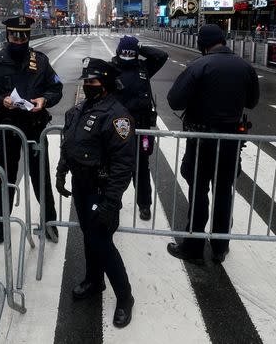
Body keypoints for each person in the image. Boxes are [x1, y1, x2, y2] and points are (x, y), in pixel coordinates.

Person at [165, 24, 259, 264]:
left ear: (202, 43)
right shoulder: (245, 66)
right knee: (224, 191)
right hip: (230, 142)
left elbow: (175, 101)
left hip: (202, 141)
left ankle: (193, 247)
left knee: (198, 191)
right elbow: (252, 101)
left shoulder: (198, 66)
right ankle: (220, 247)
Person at [56, 57, 135, 328]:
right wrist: (61, 171)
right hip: (81, 184)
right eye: (86, 81)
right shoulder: (80, 110)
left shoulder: (117, 116)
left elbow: (124, 166)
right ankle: (94, 279)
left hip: (101, 189)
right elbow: (69, 144)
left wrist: (110, 202)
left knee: (102, 241)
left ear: (107, 84)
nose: (88, 85)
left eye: (94, 81)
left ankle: (125, 297)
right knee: (89, 237)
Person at [0, 15, 63, 243]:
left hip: (35, 128)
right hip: (8, 129)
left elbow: (56, 88)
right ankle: (1, 222)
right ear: (7, 35)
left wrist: (44, 100)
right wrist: (1, 101)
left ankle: (49, 221)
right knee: (6, 176)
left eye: (23, 36)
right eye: (14, 36)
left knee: (41, 177)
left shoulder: (41, 60)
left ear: (28, 36)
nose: (19, 40)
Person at [111, 35, 168, 220]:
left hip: (142, 126)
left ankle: (144, 204)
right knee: (115, 167)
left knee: (142, 167)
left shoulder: (143, 67)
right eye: (124, 51)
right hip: (117, 128)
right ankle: (113, 202)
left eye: (131, 52)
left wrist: (140, 46)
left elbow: (162, 56)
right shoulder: (110, 69)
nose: (127, 55)